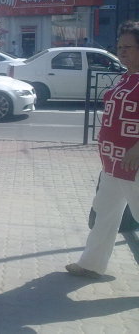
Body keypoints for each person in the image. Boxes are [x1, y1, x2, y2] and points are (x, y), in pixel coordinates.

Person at [66, 20, 139, 279]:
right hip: (112, 164)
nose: (122, 52)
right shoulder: (126, 77)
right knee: (104, 215)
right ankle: (91, 264)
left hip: (133, 166)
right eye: (120, 47)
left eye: (128, 47)